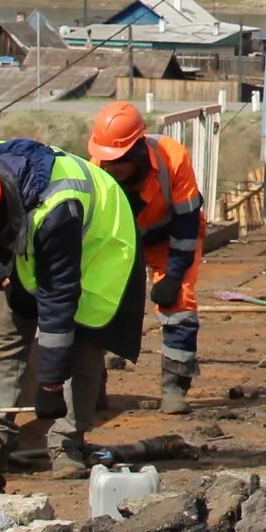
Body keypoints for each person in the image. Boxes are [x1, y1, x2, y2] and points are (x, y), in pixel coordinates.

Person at [0, 138, 141, 477]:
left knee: (81, 347)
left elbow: (57, 301)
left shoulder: (57, 208)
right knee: (4, 336)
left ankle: (66, 442)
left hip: (99, 250)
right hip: (32, 236)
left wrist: (50, 387)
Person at [87, 102, 205, 413]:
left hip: (170, 237)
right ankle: (91, 385)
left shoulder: (173, 158)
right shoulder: (96, 170)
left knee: (178, 304)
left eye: (119, 161)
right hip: (121, 241)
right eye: (107, 161)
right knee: (98, 306)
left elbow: (187, 223)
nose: (112, 167)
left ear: (138, 149)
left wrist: (174, 274)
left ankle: (174, 387)